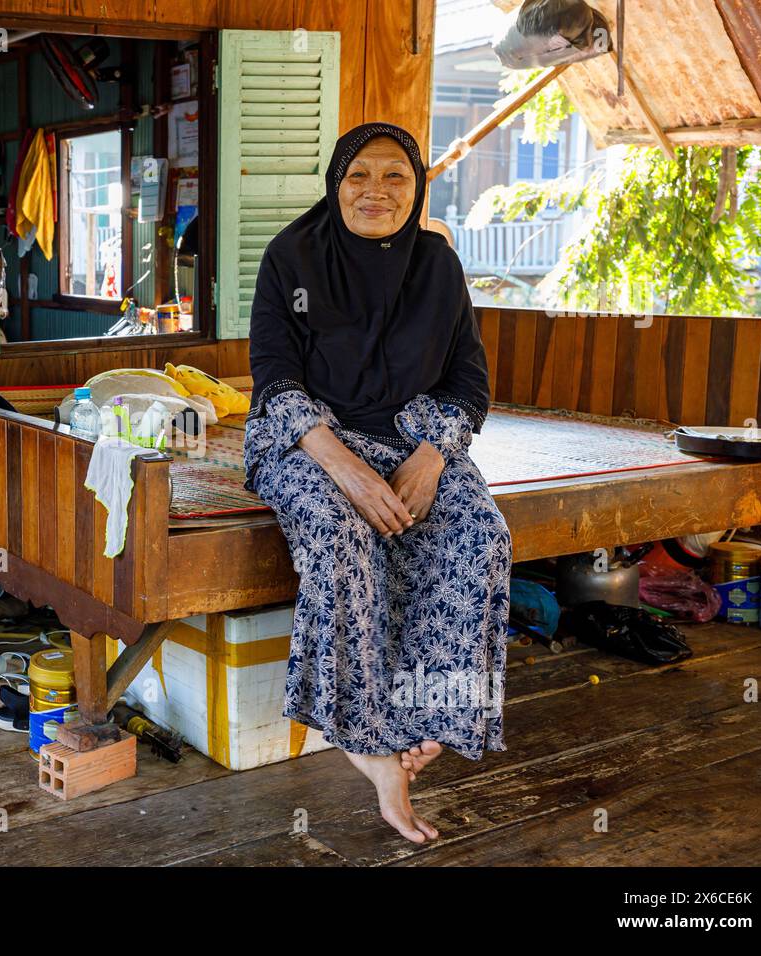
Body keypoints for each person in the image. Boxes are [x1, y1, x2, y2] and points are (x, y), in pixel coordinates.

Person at [243, 123, 512, 844]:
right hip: (308, 435)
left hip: (416, 433)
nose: (376, 192)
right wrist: (347, 470)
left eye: (396, 177)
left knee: (479, 533)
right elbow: (274, 377)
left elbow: (469, 381)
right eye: (359, 175)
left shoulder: (437, 266)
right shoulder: (291, 256)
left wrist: (429, 456)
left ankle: (429, 716)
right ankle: (365, 740)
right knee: (340, 532)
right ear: (336, 182)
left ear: (418, 187)